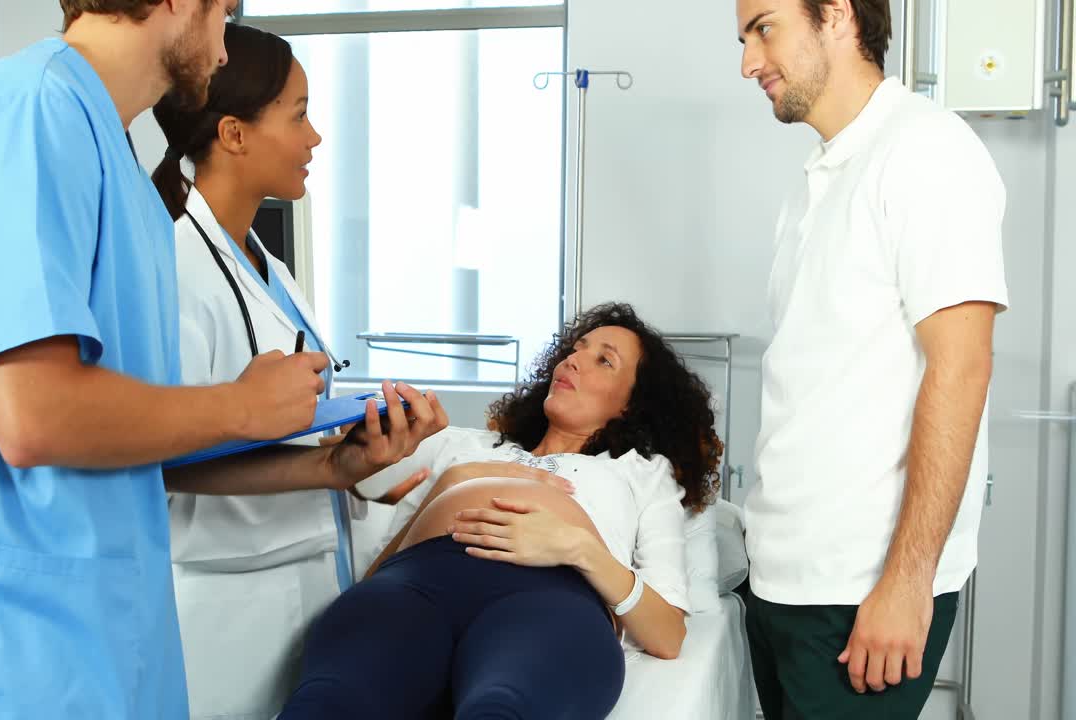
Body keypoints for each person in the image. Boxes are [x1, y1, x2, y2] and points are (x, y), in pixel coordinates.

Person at [0, 2, 442, 717]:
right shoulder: (30, 107)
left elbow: (145, 447)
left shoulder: (132, 185)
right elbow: (32, 415)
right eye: (223, 15)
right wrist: (242, 405)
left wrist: (327, 467)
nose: (224, 50)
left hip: (98, 643)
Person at [149, 25, 435, 718]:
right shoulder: (175, 264)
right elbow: (165, 454)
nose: (315, 139)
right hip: (226, 602)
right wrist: (329, 467)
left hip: (302, 577)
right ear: (234, 134)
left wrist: (358, 456)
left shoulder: (262, 261)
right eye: (299, 114)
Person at [735, 0, 1008, 717]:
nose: (748, 62)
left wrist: (908, 581)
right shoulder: (814, 182)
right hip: (783, 577)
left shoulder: (925, 150)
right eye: (744, 38)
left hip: (860, 591)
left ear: (838, 17)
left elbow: (963, 368)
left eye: (764, 27)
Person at [279, 303, 723, 719]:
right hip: (414, 586)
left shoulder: (640, 473)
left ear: (632, 402)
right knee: (327, 703)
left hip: (551, 602)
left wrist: (581, 549)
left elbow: (667, 635)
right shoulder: (462, 445)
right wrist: (452, 484)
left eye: (603, 360)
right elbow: (371, 554)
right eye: (575, 349)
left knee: (501, 710)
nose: (572, 361)